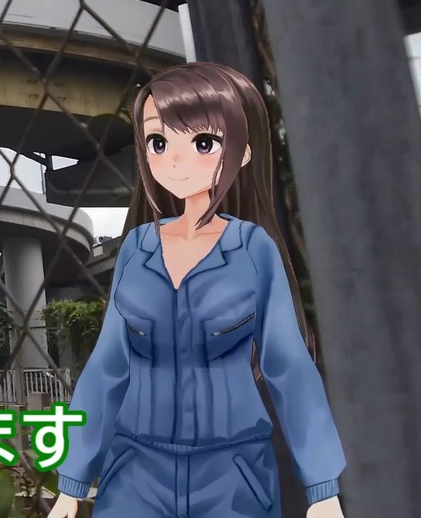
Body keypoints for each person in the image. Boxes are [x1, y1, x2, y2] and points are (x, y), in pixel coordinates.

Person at [46, 63, 346, 518]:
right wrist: (72, 481)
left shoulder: (253, 249)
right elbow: (108, 367)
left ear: (242, 153)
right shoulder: (137, 248)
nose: (174, 159)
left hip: (233, 471)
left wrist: (322, 488)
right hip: (135, 469)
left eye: (203, 143)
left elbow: (287, 365)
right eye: (158, 142)